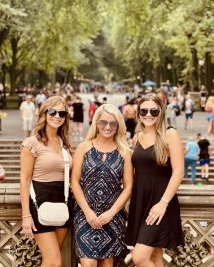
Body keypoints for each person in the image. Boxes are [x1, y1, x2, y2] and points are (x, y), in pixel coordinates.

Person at [126, 94, 184, 267]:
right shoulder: (137, 137)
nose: (148, 114)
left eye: (154, 110)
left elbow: (179, 172)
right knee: (155, 256)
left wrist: (163, 203)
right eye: (144, 110)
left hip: (161, 203)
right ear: (138, 112)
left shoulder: (170, 134)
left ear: (161, 112)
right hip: (140, 201)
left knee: (139, 257)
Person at [71, 103, 133, 267]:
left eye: (113, 123)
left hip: (112, 216)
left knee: (107, 262)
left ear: (118, 125)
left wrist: (111, 213)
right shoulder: (83, 148)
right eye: (103, 122)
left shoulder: (125, 152)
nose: (107, 127)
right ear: (96, 123)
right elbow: (75, 182)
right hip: (85, 214)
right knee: (88, 262)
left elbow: (128, 187)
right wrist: (88, 212)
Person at [20, 96, 74, 267]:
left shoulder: (64, 143)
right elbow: (24, 180)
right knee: (54, 261)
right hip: (39, 201)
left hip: (63, 202)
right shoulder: (31, 143)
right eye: (53, 112)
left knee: (50, 260)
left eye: (62, 113)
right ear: (44, 113)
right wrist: (26, 215)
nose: (57, 116)